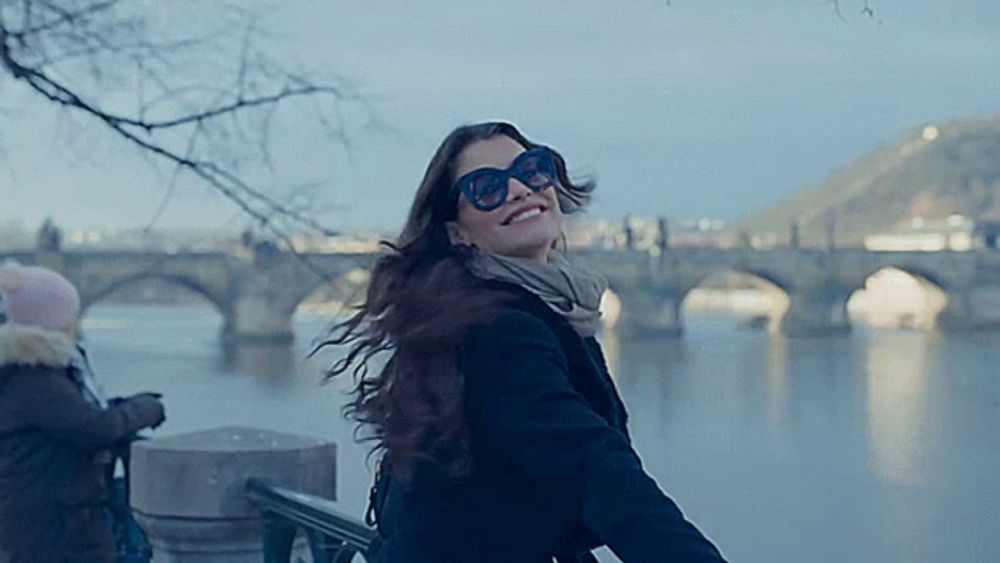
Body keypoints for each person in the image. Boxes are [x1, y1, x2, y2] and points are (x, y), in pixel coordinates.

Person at [321, 122, 727, 562]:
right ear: (458, 232)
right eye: (486, 188)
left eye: (533, 169)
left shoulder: (486, 307)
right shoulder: (496, 329)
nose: (518, 189)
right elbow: (589, 463)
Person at [0, 263, 166, 563]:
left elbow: (73, 416)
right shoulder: (35, 377)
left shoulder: (32, 370)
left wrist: (121, 406)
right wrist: (144, 409)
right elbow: (95, 428)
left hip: (52, 518)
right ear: (56, 321)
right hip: (54, 525)